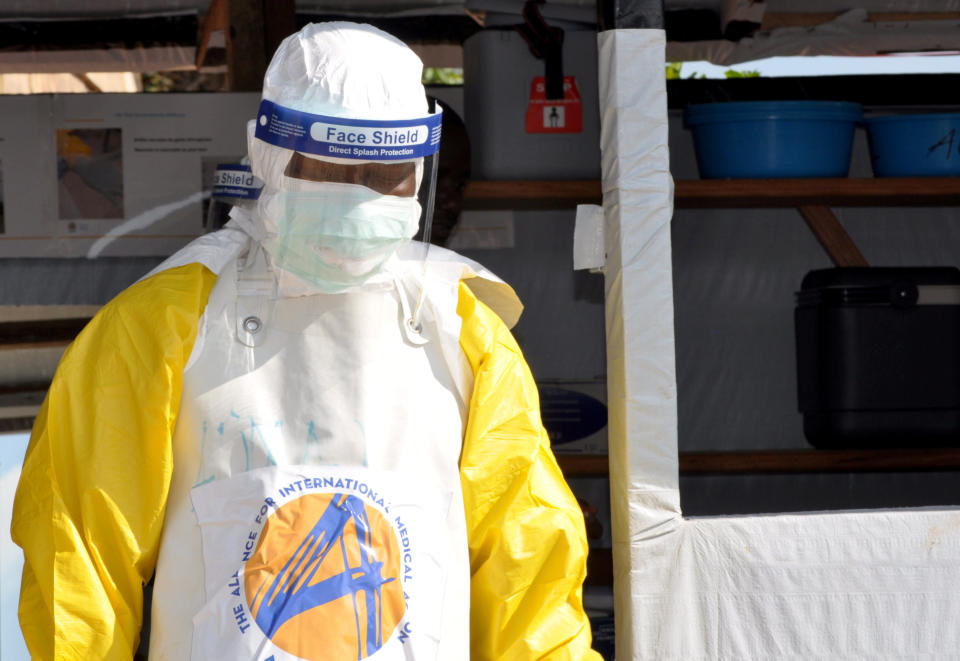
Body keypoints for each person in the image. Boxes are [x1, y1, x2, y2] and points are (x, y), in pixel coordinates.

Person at [12, 22, 599, 661]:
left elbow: (530, 570)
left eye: (387, 173)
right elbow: (80, 561)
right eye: (335, 168)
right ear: (272, 157)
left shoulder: (463, 332)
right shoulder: (160, 324)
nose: (360, 196)